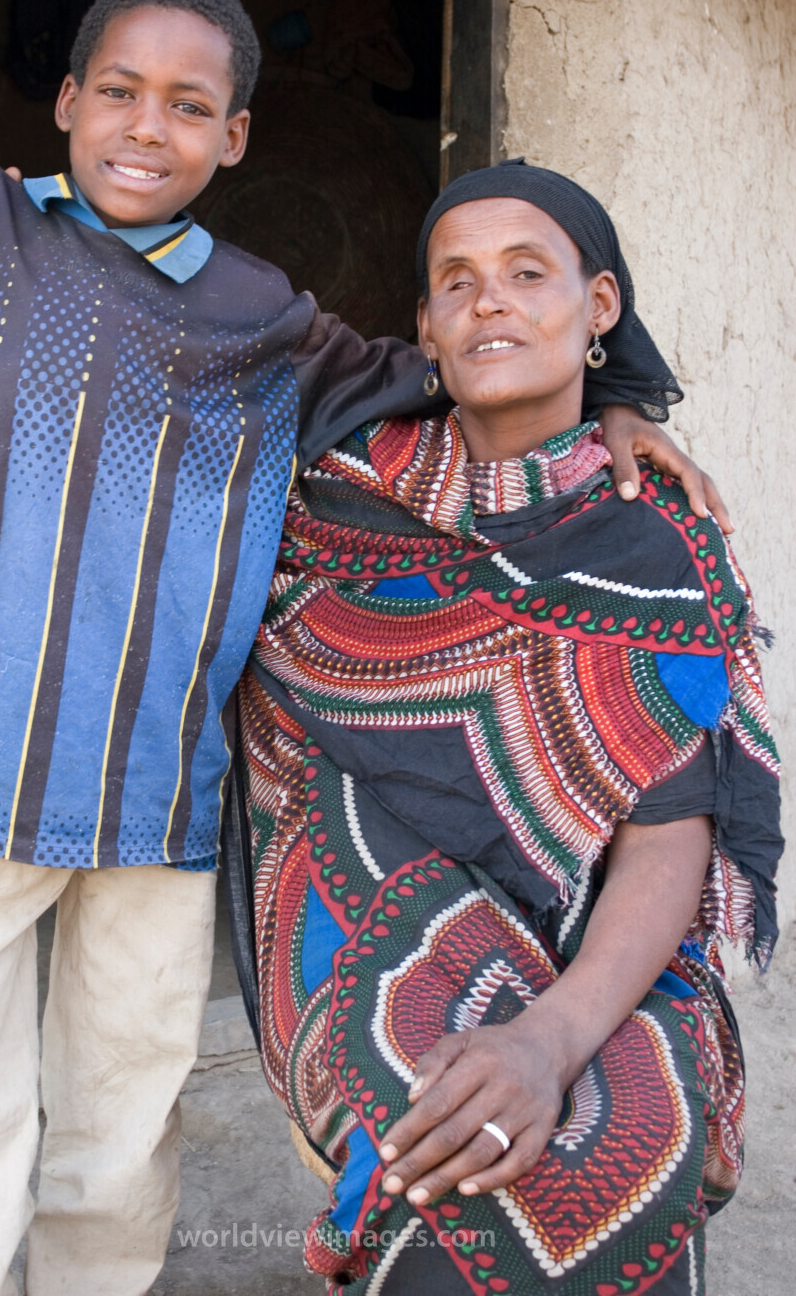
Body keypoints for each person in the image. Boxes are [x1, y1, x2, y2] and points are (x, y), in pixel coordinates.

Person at [0, 0, 722, 1294]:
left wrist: (623, 398)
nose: (146, 127)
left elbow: (450, 366)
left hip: (167, 780)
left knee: (128, 1081)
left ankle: (92, 1282)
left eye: (190, 106)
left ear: (236, 138)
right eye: (118, 92)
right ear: (64, 102)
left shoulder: (262, 314)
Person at [227, 161, 782, 1295]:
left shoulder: (652, 543)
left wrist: (550, 1037)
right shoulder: (333, 499)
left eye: (528, 274)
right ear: (424, 328)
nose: (491, 301)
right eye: (458, 282)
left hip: (602, 944)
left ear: (600, 308)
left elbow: (667, 836)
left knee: (625, 1155)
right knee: (449, 1164)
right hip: (357, 900)